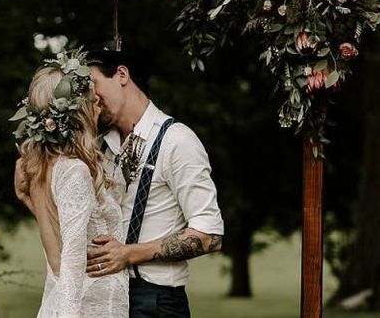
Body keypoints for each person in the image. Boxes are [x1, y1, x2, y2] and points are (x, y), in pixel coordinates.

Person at [84, 49, 223, 318]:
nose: (91, 97)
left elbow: (209, 235)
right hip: (108, 296)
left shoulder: (177, 141)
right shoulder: (102, 145)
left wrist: (129, 254)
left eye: (93, 84)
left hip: (157, 301)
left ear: (121, 75)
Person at [12, 49, 128, 318]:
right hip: (85, 309)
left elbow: (61, 234)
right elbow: (72, 263)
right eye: (93, 101)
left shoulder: (42, 167)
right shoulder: (73, 171)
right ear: (77, 112)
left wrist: (27, 200)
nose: (99, 105)